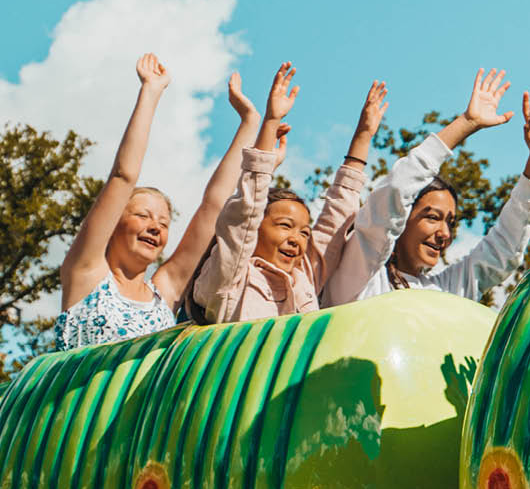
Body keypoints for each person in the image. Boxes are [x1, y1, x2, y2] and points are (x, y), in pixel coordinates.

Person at [55, 53, 259, 350]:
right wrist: (151, 91)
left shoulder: (166, 292)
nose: (155, 227)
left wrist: (250, 123)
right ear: (113, 224)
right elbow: (123, 176)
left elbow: (214, 207)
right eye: (143, 216)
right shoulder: (85, 273)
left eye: (163, 223)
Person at [322, 70, 530, 304]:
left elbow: (503, 249)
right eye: (433, 217)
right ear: (401, 218)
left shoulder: (445, 292)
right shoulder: (360, 275)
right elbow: (397, 189)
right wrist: (467, 123)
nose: (444, 234)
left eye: (450, 222)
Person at [187, 62, 379, 323]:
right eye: (285, 226)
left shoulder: (303, 278)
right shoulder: (229, 278)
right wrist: (270, 123)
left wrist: (363, 136)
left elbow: (336, 219)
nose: (296, 239)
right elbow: (245, 211)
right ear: (256, 228)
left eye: (304, 233)